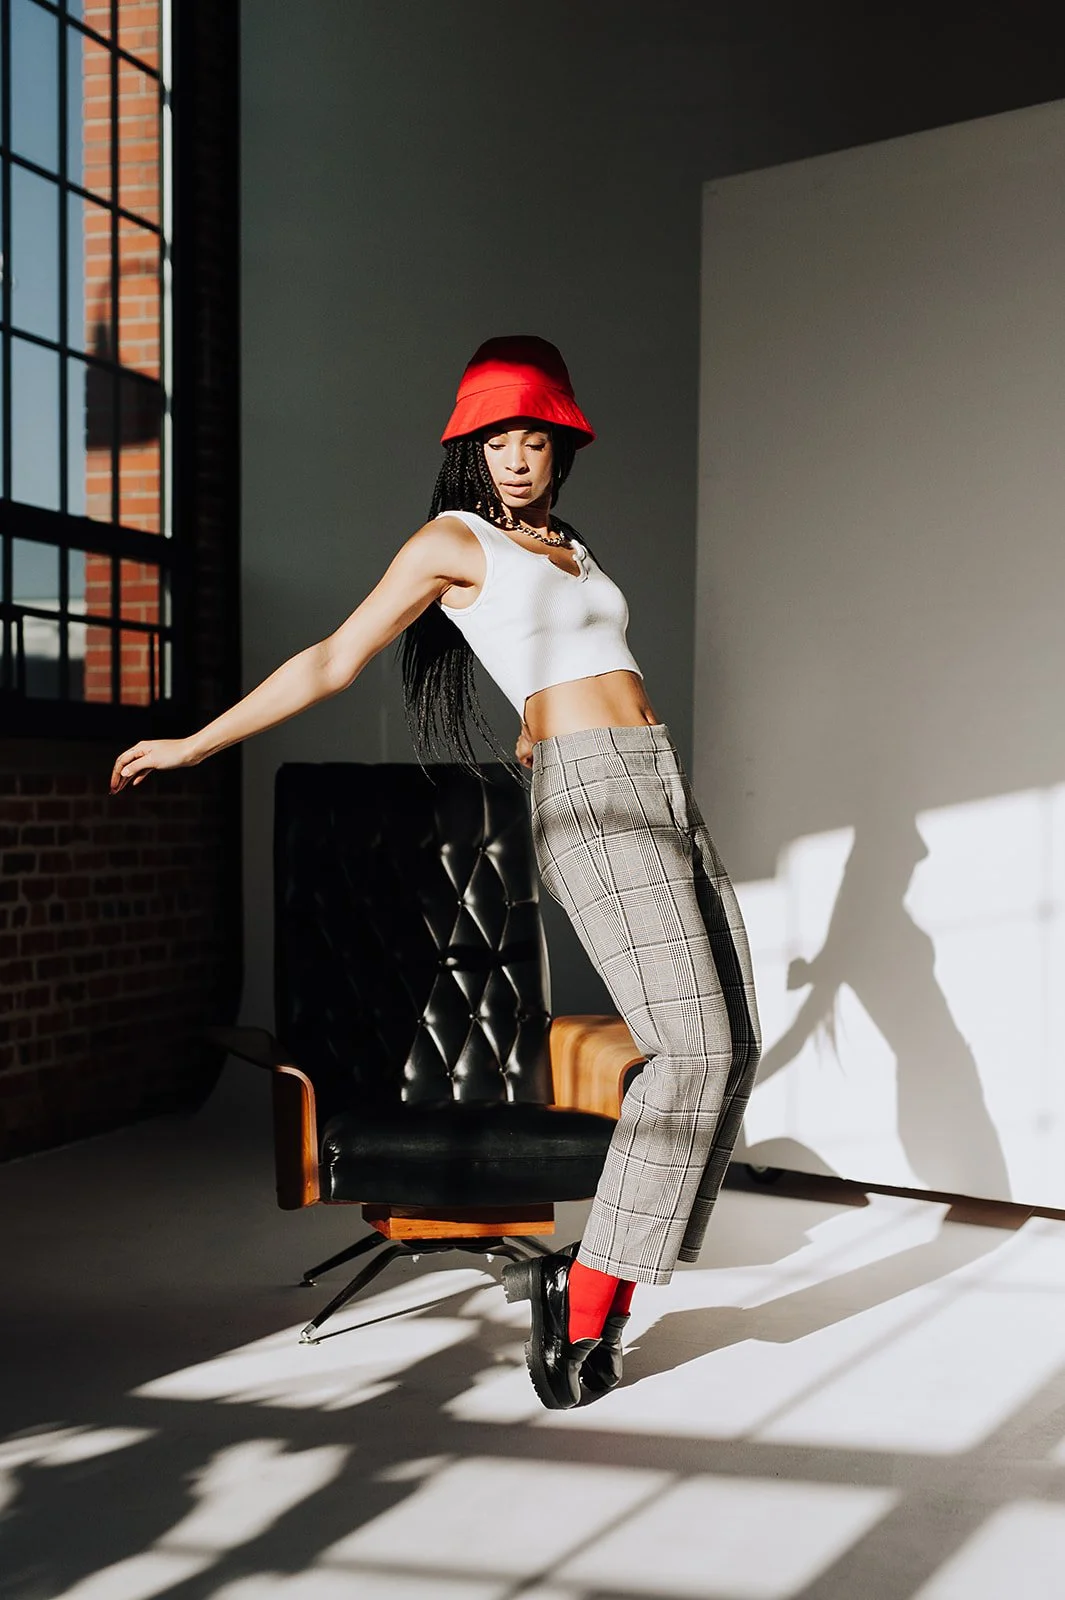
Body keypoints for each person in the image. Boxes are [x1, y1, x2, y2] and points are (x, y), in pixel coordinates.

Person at [109, 335, 762, 1411]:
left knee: (733, 1042)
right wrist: (193, 744)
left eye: (534, 437)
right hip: (600, 797)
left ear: (561, 444)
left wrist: (541, 730)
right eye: (497, 438)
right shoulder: (452, 541)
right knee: (690, 1048)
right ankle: (588, 1295)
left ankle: (603, 1283)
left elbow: (565, 661)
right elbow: (332, 659)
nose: (517, 456)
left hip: (657, 780)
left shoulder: (568, 545)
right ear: (470, 447)